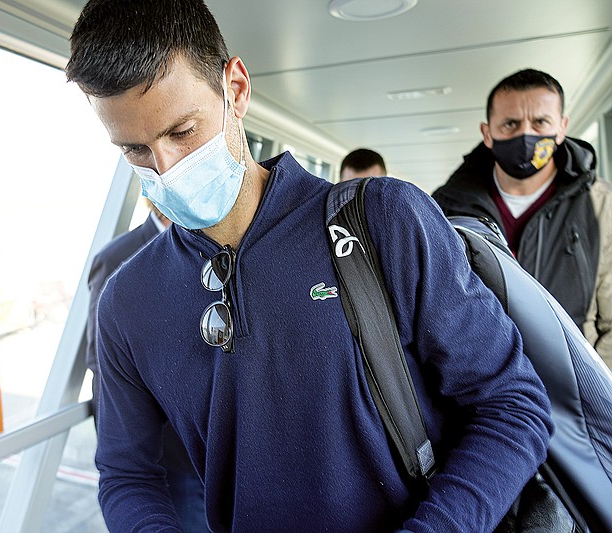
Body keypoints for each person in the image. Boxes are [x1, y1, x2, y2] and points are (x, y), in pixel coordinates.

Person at [66, 1, 553, 531]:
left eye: (182, 131)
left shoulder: (386, 222)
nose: (166, 168)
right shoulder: (127, 300)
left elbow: (511, 406)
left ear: (236, 89)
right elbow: (126, 475)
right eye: (134, 149)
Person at [433, 69, 611, 369]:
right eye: (510, 123)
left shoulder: (601, 204)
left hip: (573, 397)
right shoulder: (446, 206)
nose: (525, 135)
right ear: (487, 133)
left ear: (562, 127)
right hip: (479, 391)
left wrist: (591, 392)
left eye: (540, 122)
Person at [83, 201, 207, 531]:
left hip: (216, 451)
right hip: (169, 455)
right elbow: (102, 365)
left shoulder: (208, 245)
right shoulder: (116, 258)